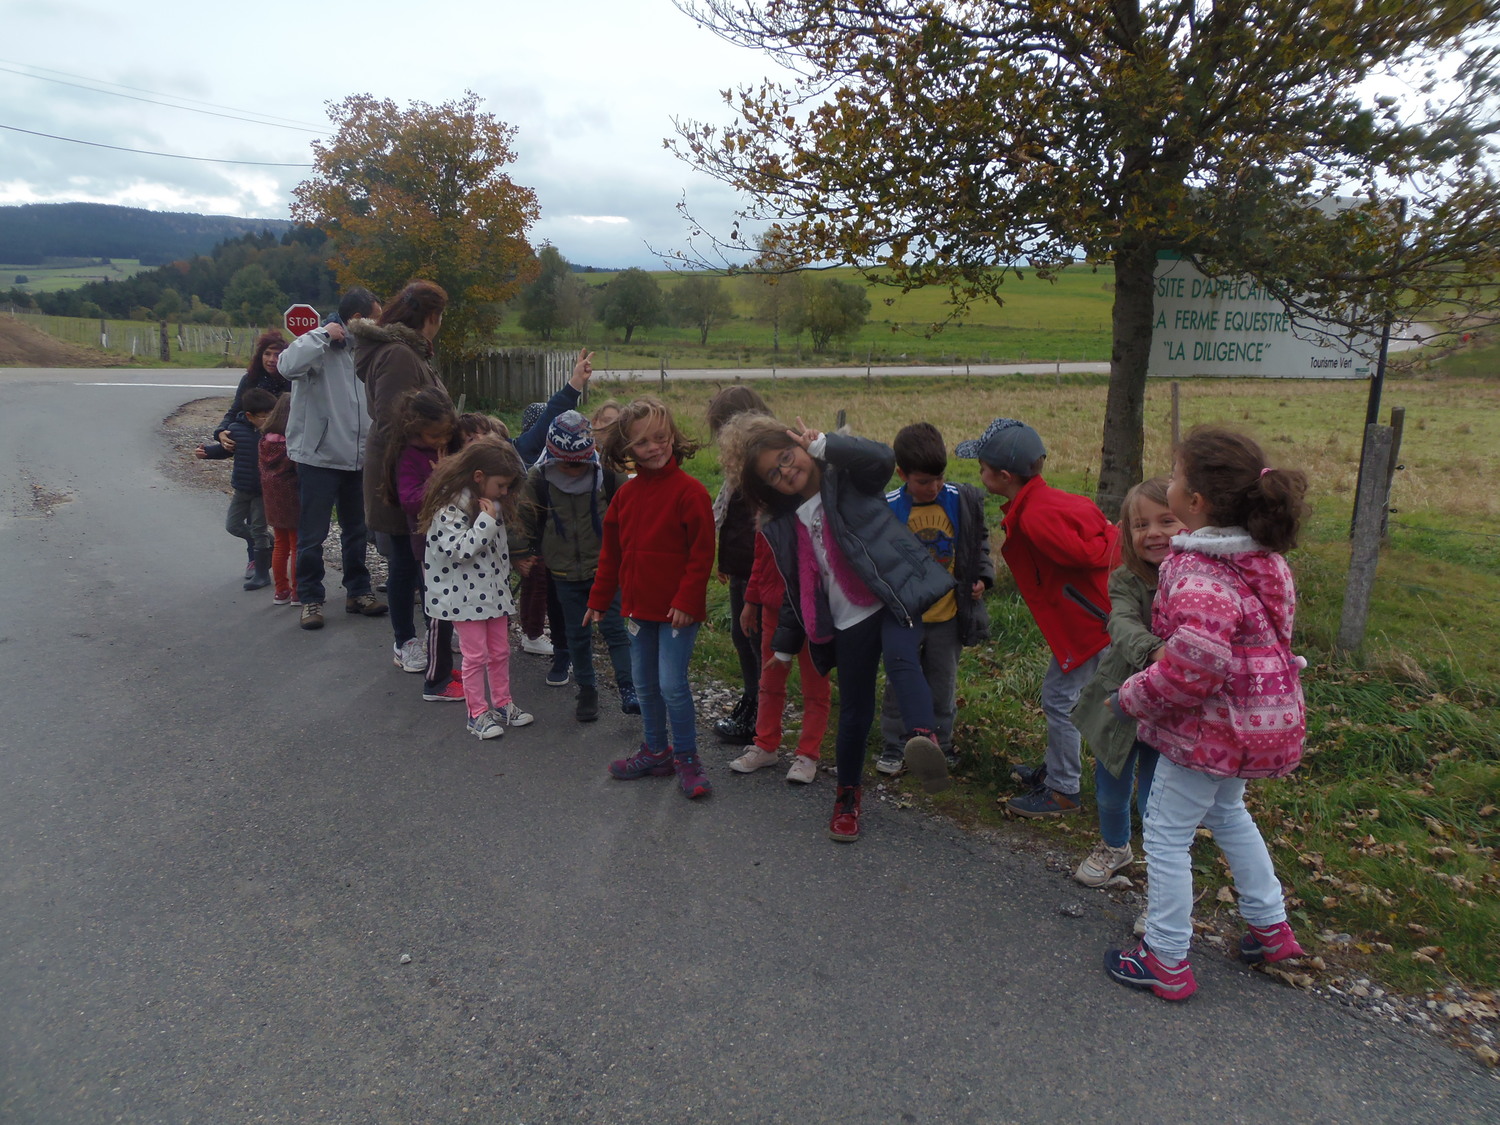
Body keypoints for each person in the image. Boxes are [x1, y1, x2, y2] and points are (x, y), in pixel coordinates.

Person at [1105, 427, 1310, 1001]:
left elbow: (1194, 667)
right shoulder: (1264, 558)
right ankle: (1271, 929)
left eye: (1174, 477)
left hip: (1206, 731)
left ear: (1194, 502)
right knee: (1229, 814)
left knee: (1166, 836)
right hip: (1260, 721)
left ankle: (1165, 957)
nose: (1168, 483)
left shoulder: (1197, 572)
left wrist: (1131, 697)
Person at [719, 414, 952, 842]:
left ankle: (923, 739)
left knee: (902, 660)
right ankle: (847, 799)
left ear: (801, 446)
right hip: (847, 621)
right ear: (768, 487)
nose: (786, 471)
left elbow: (882, 459)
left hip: (891, 595)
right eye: (774, 473)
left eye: (786, 457)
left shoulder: (849, 479)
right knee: (854, 712)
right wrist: (784, 646)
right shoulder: (784, 523)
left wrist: (825, 445)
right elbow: (799, 590)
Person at [957, 417, 1119, 817]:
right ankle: (1055, 770)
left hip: (1090, 625)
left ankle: (1063, 789)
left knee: (1060, 700)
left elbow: (1086, 554)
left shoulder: (1036, 516)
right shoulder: (1055, 501)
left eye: (982, 466)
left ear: (1005, 476)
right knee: (1061, 696)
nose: (979, 472)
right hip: (1093, 619)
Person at [585, 397, 716, 799]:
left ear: (672, 436)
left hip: (678, 612)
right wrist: (598, 599)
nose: (654, 447)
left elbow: (702, 555)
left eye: (660, 437)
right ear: (627, 448)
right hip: (639, 610)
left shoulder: (691, 492)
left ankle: (687, 758)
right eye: (642, 443)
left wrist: (687, 601)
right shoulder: (625, 496)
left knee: (672, 685)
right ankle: (657, 751)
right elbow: (611, 555)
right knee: (644, 683)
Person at [1069, 477, 1180, 887]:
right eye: (1140, 525)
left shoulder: (1201, 579)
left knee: (1156, 797)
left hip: (1171, 706)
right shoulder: (1125, 579)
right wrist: (1157, 651)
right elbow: (1121, 622)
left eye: (1166, 521)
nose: (1153, 533)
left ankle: (1163, 873)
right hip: (1121, 697)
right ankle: (1115, 846)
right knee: (1110, 787)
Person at [877, 422, 994, 774]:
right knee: (899, 684)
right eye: (924, 481)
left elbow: (978, 543)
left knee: (943, 684)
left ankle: (940, 744)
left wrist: (982, 577)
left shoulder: (962, 501)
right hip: (906, 617)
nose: (934, 487)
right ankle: (895, 745)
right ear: (902, 474)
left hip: (948, 617)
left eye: (939, 478)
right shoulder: (889, 507)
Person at [277, 288, 386, 632]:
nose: (381, 324)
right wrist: (322, 335)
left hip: (358, 458)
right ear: (357, 319)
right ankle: (311, 598)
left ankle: (358, 592)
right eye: (376, 318)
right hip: (319, 458)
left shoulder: (366, 350)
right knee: (313, 534)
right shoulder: (317, 344)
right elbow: (286, 366)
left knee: (356, 530)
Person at [516, 410, 636, 722]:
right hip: (563, 572)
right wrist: (521, 553)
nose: (573, 470)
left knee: (614, 629)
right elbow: (523, 518)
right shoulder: (540, 479)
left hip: (605, 569)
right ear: (553, 456)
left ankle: (628, 687)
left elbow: (630, 513)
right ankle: (586, 689)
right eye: (566, 464)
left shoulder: (606, 475)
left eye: (580, 463)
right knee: (576, 634)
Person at [353, 281, 452, 659]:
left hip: (418, 471)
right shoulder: (399, 355)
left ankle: (435, 631)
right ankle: (405, 641)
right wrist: (413, 477)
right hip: (399, 476)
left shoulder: (408, 352)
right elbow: (393, 421)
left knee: (425, 560)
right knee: (404, 563)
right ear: (432, 316)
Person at [417, 438, 534, 741]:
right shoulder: (451, 509)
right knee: (475, 655)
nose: (505, 492)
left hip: (492, 595)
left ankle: (503, 703)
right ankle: (477, 714)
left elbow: (498, 551)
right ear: (479, 476)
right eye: (501, 485)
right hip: (462, 599)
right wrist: (486, 522)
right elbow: (461, 550)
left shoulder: (489, 506)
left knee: (500, 651)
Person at [730, 520, 832, 785]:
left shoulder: (816, 511)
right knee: (769, 680)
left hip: (813, 608)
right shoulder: (768, 513)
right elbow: (761, 560)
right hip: (773, 608)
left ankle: (808, 755)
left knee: (815, 685)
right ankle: (765, 745)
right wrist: (751, 601)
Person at [387, 386, 465, 703]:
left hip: (454, 542)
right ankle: (436, 680)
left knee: (448, 611)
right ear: (415, 428)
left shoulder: (449, 447)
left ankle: (443, 668)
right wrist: (438, 479)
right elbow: (409, 501)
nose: (441, 441)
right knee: (438, 616)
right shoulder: (409, 456)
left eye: (446, 434)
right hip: (429, 547)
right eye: (434, 436)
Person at [706, 386, 772, 744]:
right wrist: (724, 561)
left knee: (755, 639)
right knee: (742, 636)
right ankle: (752, 698)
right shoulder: (741, 467)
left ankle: (761, 710)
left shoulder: (762, 466)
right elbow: (728, 518)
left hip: (757, 569)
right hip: (741, 566)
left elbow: (755, 529)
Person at [211, 329, 288, 579]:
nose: (272, 360)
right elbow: (234, 411)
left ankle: (264, 559)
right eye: (267, 354)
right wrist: (221, 432)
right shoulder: (250, 380)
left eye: (278, 355)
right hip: (250, 455)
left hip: (279, 456)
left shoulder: (292, 380)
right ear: (260, 356)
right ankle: (256, 558)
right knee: (248, 523)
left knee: (261, 520)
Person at [195, 387, 276, 588]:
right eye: (263, 417)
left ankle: (262, 573)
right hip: (242, 488)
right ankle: (269, 542)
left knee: (258, 528)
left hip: (263, 491)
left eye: (271, 415)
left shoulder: (275, 433)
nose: (268, 420)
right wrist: (206, 453)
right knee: (233, 526)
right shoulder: (235, 430)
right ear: (249, 415)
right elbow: (226, 451)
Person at [256, 393, 301, 605]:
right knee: (297, 545)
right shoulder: (292, 443)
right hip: (292, 498)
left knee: (280, 545)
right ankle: (297, 591)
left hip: (272, 498)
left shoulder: (264, 441)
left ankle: (281, 590)